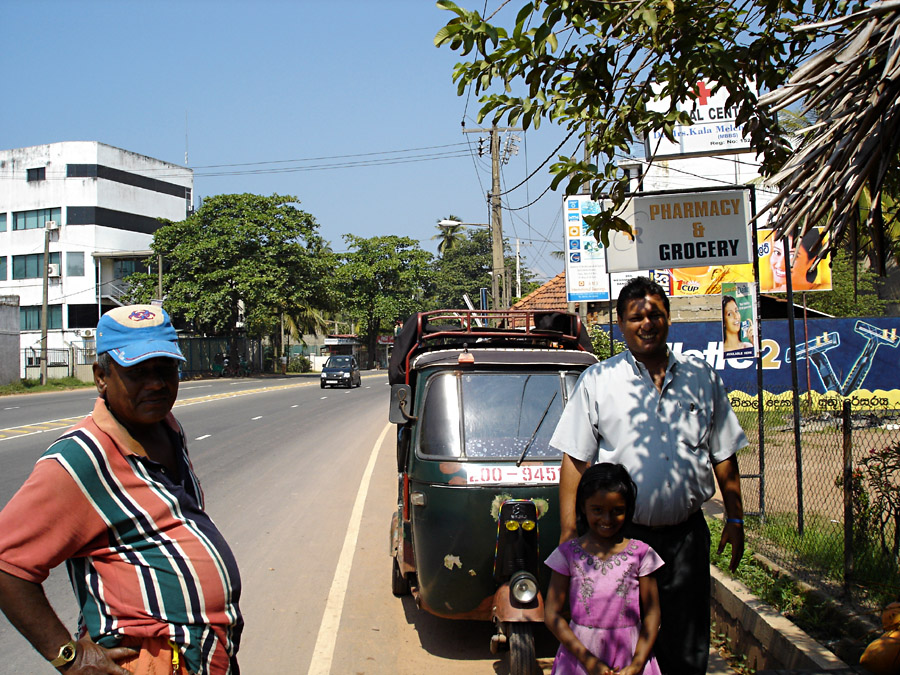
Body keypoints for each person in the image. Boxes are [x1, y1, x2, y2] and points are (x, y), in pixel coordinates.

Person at [0, 305, 242, 674]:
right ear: (101, 377)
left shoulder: (168, 429)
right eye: (138, 373)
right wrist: (69, 657)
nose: (157, 384)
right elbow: (6, 563)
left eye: (165, 369)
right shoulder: (81, 458)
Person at [551, 276, 747, 675]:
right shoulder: (599, 382)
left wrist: (736, 517)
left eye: (655, 314)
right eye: (636, 316)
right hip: (623, 541)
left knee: (687, 643)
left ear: (669, 319)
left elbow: (723, 454)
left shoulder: (701, 378)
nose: (647, 323)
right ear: (620, 324)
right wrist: (569, 532)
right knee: (625, 644)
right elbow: (574, 460)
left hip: (686, 539)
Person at [544, 463, 663, 675]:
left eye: (617, 511)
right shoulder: (566, 555)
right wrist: (588, 661)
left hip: (631, 655)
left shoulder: (642, 554)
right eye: (597, 510)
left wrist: (637, 663)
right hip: (579, 659)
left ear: (628, 509)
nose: (607, 519)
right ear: (583, 506)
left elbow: (653, 613)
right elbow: (551, 614)